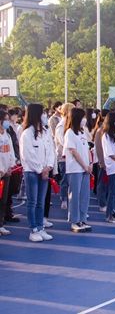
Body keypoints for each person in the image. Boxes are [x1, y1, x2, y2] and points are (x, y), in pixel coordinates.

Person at [20, 103, 55, 242]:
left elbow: (51, 150)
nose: (45, 116)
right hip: (32, 172)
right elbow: (27, 155)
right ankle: (33, 229)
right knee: (32, 201)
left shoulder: (45, 132)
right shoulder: (27, 133)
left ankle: (41, 227)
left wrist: (48, 167)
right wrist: (41, 169)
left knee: (41, 201)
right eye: (42, 113)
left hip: (44, 172)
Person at [63, 107, 93, 233]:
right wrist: (84, 165)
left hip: (85, 168)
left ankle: (82, 218)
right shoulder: (69, 132)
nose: (84, 120)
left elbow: (87, 149)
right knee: (74, 195)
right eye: (82, 117)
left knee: (84, 195)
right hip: (75, 168)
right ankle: (74, 221)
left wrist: (90, 163)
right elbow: (73, 151)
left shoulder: (82, 133)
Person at [55, 103, 75, 210]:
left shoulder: (71, 124)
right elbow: (63, 141)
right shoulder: (61, 125)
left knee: (71, 180)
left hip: (72, 157)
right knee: (65, 179)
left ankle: (70, 199)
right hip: (63, 157)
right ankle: (63, 199)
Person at [0, 110, 16, 236]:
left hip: (6, 173)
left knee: (3, 200)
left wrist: (11, 166)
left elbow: (10, 152)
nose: (7, 121)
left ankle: (1, 224)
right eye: (5, 119)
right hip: (0, 171)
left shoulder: (7, 135)